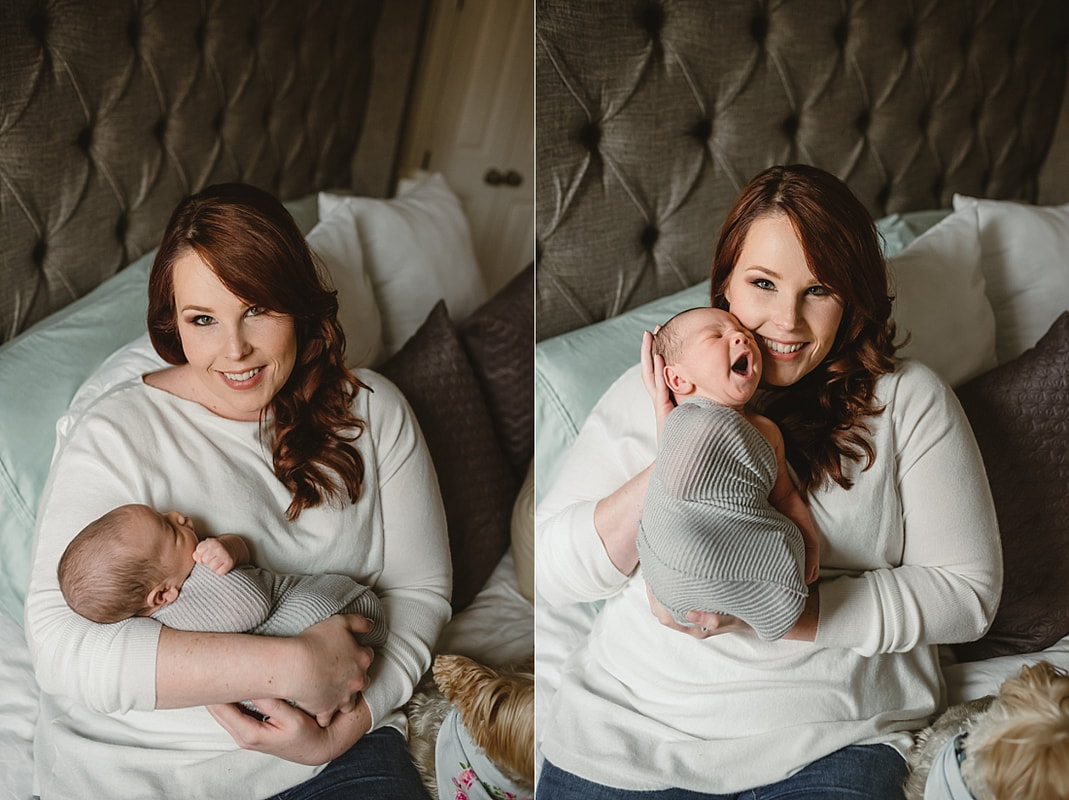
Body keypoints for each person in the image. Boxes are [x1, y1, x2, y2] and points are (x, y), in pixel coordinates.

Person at [535, 164, 1003, 798]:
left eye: (818, 291)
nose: (785, 321)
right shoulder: (666, 385)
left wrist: (778, 615)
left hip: (833, 736)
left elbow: (968, 595)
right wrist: (681, 449)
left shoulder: (908, 402)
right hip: (628, 725)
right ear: (725, 281)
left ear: (853, 299)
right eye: (762, 283)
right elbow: (551, 573)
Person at [24, 183, 452, 800]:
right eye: (203, 319)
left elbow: (421, 591)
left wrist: (343, 731)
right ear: (173, 322)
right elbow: (61, 648)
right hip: (132, 767)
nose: (235, 350)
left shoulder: (377, 413)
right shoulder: (117, 431)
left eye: (257, 309)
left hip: (333, 760)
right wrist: (294, 665)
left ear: (297, 302)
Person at [638, 306, 819, 642]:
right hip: (679, 554)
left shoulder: (767, 431)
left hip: (733, 549)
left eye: (744, 334)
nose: (741, 336)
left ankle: (765, 596)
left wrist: (809, 543)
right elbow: (676, 488)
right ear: (678, 379)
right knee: (685, 543)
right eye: (716, 335)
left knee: (782, 544)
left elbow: (784, 495)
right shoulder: (687, 421)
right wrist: (664, 413)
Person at [57, 504, 388, 649]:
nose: (179, 516)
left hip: (326, 609)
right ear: (162, 596)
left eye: (165, 515)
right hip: (310, 624)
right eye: (170, 528)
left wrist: (229, 548)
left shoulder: (195, 562)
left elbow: (249, 561)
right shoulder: (178, 612)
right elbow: (253, 604)